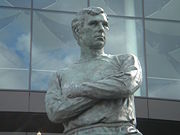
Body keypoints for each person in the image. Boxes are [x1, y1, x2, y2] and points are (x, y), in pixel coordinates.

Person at [45, 7, 143, 135]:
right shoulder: (60, 76)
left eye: (105, 25)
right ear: (77, 31)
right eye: (93, 23)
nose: (101, 29)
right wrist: (108, 92)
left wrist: (80, 90)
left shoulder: (125, 60)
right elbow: (55, 112)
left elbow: (126, 85)